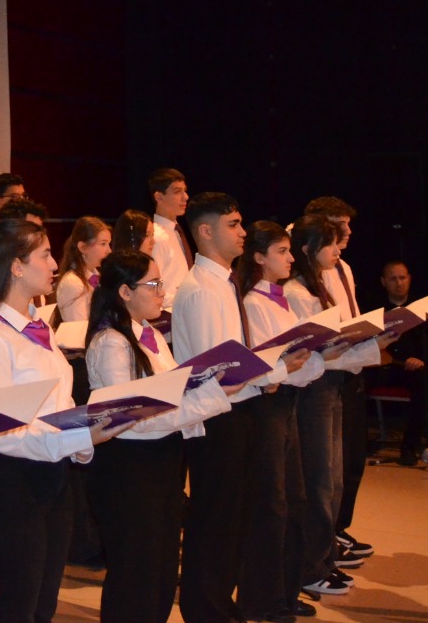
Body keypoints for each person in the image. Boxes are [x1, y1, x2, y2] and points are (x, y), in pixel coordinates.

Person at [0, 220, 127, 622]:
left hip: (52, 473)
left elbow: (59, 403)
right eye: (45, 255)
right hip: (9, 481)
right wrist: (80, 438)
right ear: (16, 266)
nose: (54, 264)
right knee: (17, 603)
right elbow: (1, 433)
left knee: (42, 603)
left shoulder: (38, 326)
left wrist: (82, 437)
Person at [86, 250, 239, 622]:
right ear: (124, 292)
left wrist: (203, 387)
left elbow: (168, 396)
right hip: (130, 465)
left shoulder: (148, 332)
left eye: (160, 283)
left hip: (162, 458)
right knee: (136, 569)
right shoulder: (111, 342)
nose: (161, 292)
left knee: (162, 566)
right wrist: (211, 396)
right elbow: (135, 418)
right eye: (152, 284)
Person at [170, 191, 297, 623]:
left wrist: (271, 368)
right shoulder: (202, 290)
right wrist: (277, 368)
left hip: (237, 410)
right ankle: (206, 610)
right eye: (234, 225)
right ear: (205, 231)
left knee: (233, 519)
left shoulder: (223, 282)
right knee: (215, 520)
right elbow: (218, 369)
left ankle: (219, 605)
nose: (243, 232)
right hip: (216, 416)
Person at [235, 222, 332, 623]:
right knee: (271, 505)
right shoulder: (254, 303)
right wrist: (299, 363)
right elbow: (269, 366)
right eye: (282, 251)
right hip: (268, 408)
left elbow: (297, 364)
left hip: (287, 403)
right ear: (259, 257)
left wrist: (315, 355)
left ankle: (284, 594)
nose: (292, 258)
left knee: (295, 500)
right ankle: (262, 600)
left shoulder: (279, 300)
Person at [283, 216, 382, 600]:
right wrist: (357, 348)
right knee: (319, 480)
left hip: (333, 383)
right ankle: (311, 566)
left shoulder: (319, 285)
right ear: (307, 249)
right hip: (313, 389)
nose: (338, 249)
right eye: (329, 243)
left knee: (334, 478)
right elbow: (308, 351)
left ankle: (324, 558)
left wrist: (370, 340)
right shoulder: (296, 291)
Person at [302, 195, 373, 565]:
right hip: (322, 373)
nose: (347, 232)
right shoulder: (305, 274)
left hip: (349, 368)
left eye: (348, 224)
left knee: (350, 461)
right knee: (323, 470)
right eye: (338, 225)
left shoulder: (342, 266)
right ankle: (321, 543)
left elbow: (351, 316)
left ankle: (336, 529)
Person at [371, 260, 428, 466]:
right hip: (384, 365)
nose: (399, 283)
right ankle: (357, 442)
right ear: (383, 282)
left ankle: (410, 446)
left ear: (409, 279)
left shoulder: (423, 309)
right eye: (393, 279)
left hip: (414, 367)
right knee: (354, 381)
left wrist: (422, 360)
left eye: (402, 278)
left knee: (425, 384)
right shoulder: (374, 309)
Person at [148, 168, 193, 308]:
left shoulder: (176, 232)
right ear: (159, 197)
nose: (185, 197)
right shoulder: (156, 237)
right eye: (177, 191)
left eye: (184, 190)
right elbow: (151, 284)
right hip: (167, 314)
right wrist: (184, 299)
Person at [54, 216, 110, 326]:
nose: (109, 250)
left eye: (109, 244)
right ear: (83, 247)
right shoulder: (73, 283)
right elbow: (79, 329)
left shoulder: (97, 277)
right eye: (103, 244)